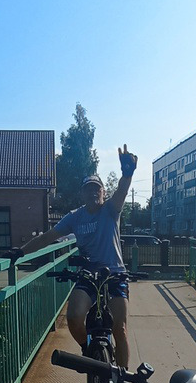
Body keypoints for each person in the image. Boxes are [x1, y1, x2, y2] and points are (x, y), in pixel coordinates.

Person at [14, 144, 137, 367]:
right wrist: (21, 252)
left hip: (114, 274)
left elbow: (122, 192)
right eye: (88, 189)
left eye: (97, 189)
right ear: (82, 194)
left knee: (120, 329)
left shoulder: (110, 209)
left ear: (103, 192)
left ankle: (122, 379)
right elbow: (48, 237)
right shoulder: (75, 217)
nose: (93, 192)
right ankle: (88, 348)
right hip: (88, 275)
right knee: (73, 318)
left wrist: (127, 174)